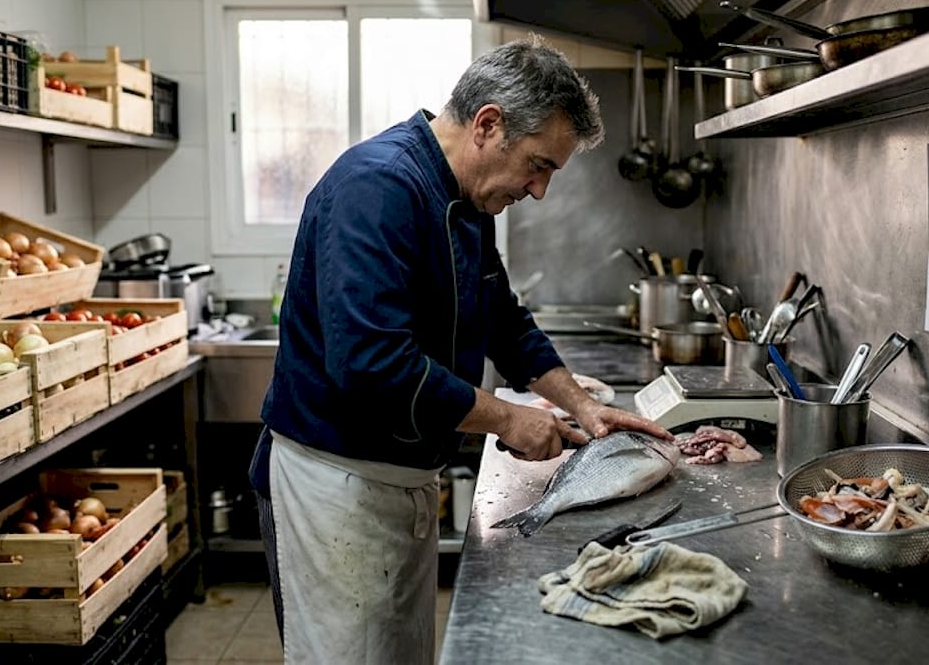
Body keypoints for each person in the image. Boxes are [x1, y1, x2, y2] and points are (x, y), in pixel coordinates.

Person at [248, 34, 673, 664]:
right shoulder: (378, 186)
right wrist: (508, 419)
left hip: (400, 483)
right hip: (336, 488)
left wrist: (583, 406)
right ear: (488, 124)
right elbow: (372, 364)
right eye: (538, 165)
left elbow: (504, 320)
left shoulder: (467, 201)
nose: (538, 190)